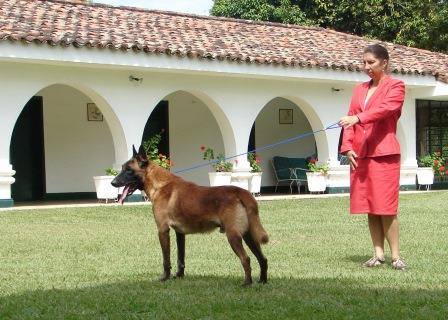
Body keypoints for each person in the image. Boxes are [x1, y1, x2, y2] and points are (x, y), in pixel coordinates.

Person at [339, 43, 406, 270]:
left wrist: (358, 119)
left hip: (384, 154)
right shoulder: (359, 89)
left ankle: (396, 257)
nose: (366, 66)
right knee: (370, 205)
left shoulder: (396, 86)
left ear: (384, 63)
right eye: (364, 62)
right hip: (361, 155)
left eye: (371, 62)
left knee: (385, 207)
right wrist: (348, 147)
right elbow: (349, 118)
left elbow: (385, 110)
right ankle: (378, 254)